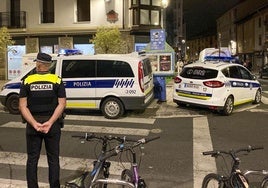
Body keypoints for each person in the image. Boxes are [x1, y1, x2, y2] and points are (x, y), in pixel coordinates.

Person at [19, 52, 66, 188]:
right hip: (53, 126)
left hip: (33, 126)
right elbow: (62, 104)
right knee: (53, 159)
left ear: (39, 65)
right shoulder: (57, 80)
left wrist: (34, 123)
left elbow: (23, 106)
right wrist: (50, 122)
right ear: (49, 65)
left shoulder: (27, 80)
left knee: (32, 160)